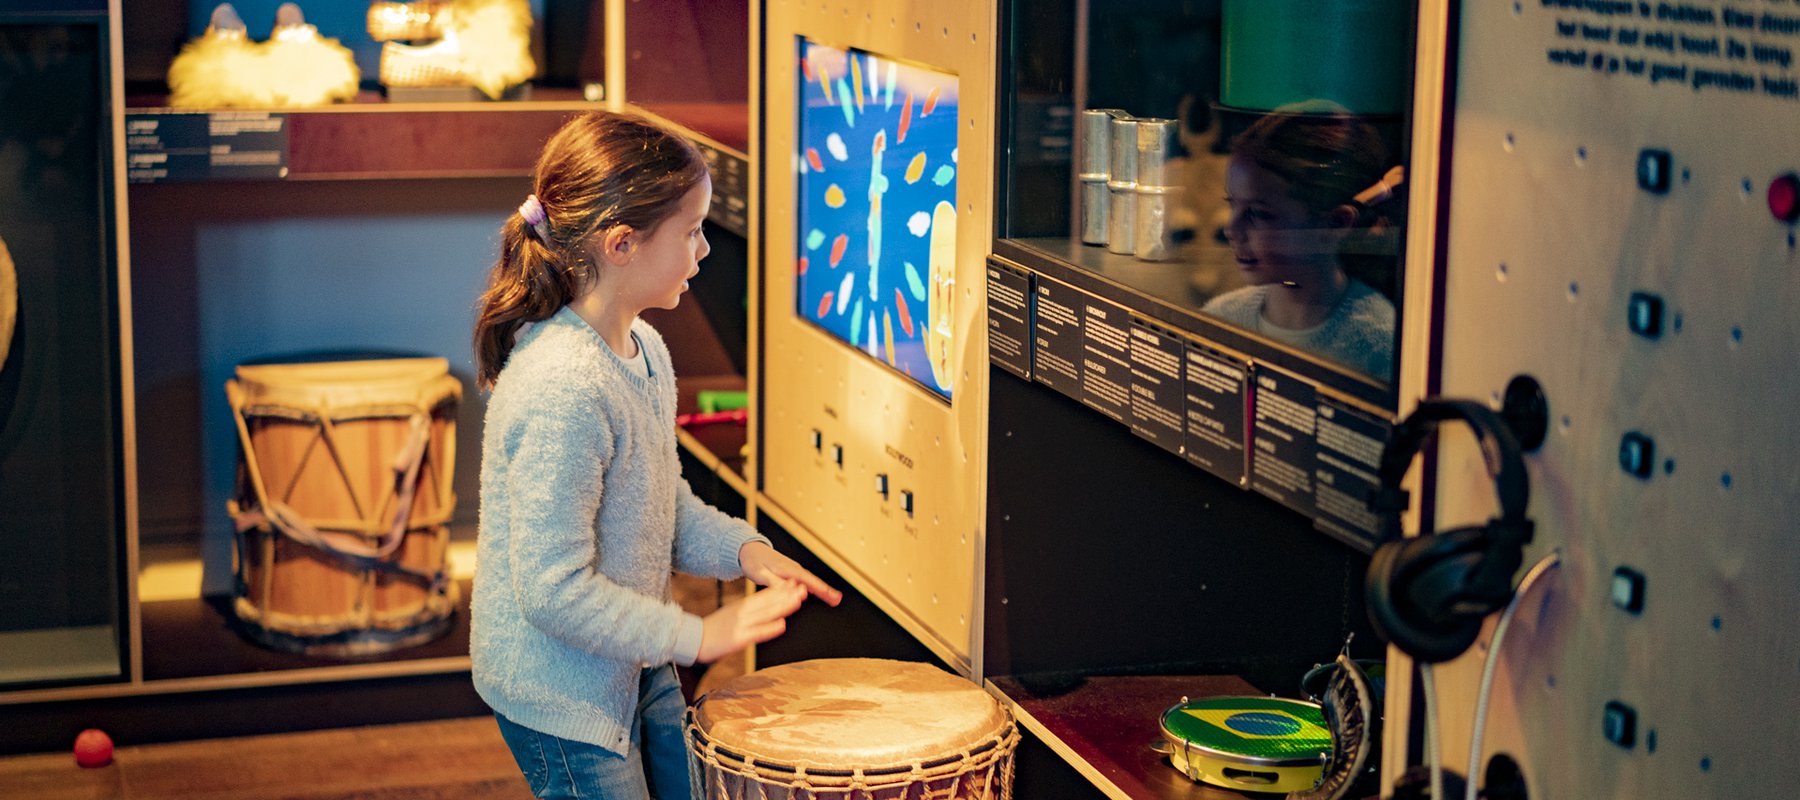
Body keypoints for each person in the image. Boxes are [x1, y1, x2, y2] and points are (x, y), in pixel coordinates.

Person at [469, 110, 842, 800]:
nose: (704, 250)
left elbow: (659, 502)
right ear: (622, 244)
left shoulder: (646, 351)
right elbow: (552, 591)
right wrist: (696, 636)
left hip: (633, 655)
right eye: (691, 230)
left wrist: (744, 551)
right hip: (561, 693)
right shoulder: (562, 387)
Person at [1201, 105, 1400, 381]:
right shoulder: (1221, 317)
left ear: (1335, 224)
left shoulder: (1380, 345)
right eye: (1232, 204)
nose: (1230, 229)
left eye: (1258, 213)